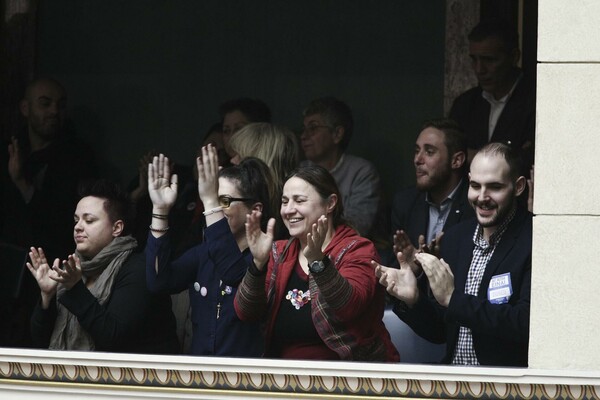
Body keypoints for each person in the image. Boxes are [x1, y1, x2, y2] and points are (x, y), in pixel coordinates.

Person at [375, 142, 532, 366]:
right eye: (475, 185)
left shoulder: (534, 240)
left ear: (518, 187)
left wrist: (453, 299)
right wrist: (413, 300)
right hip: (455, 381)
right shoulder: (457, 237)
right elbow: (440, 332)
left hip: (505, 386)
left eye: (495, 187)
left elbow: (525, 325)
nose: (482, 197)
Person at [234, 165, 399, 361]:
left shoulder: (357, 249)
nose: (288, 210)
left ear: (330, 203)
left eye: (299, 201)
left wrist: (317, 261)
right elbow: (245, 313)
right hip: (284, 376)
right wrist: (258, 264)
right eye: (284, 201)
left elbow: (349, 307)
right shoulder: (279, 252)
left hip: (351, 377)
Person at [145, 147, 277, 356]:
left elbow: (234, 274)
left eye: (223, 202)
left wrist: (209, 201)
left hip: (248, 382)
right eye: (211, 201)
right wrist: (160, 210)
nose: (211, 210)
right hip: (201, 378)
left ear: (255, 210)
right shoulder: (203, 253)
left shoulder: (268, 257)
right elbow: (158, 281)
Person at [27, 179, 178, 353]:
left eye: (89, 220)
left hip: (139, 376)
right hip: (74, 375)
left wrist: (75, 289)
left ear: (117, 228)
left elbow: (113, 338)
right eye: (76, 220)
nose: (78, 227)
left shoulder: (139, 268)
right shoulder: (72, 268)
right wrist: (47, 295)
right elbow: (40, 341)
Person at [0, 77, 97, 348]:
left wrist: (22, 183)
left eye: (60, 105)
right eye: (45, 103)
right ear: (25, 108)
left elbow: (63, 219)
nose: (54, 111)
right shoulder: (10, 150)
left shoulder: (77, 156)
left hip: (51, 272)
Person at [449, 19, 535, 168]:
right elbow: (450, 155)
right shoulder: (464, 104)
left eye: (489, 60)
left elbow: (531, 160)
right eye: (474, 59)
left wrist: (473, 156)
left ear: (514, 57)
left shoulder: (536, 102)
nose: (479, 69)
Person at [390, 118, 474, 266]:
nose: (418, 159)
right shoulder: (405, 202)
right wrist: (413, 270)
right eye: (417, 151)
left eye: (429, 152)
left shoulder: (474, 204)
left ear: (457, 161)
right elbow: (395, 265)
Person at [300, 97, 383, 239]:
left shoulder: (361, 172)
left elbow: (357, 226)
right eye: (304, 129)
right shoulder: (300, 171)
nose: (303, 136)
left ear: (337, 134)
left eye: (313, 128)